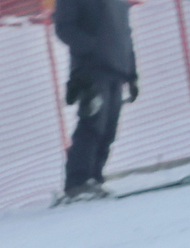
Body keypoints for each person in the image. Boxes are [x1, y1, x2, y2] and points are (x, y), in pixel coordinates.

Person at [54, 0, 139, 201]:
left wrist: (132, 73)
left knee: (109, 129)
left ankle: (94, 179)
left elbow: (125, 32)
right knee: (93, 126)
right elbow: (64, 28)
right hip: (91, 71)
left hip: (117, 69)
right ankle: (77, 183)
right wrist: (92, 47)